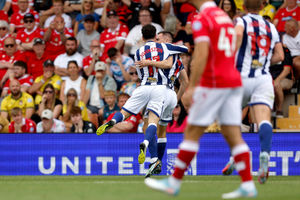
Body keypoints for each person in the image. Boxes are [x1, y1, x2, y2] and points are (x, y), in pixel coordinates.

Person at [144, 0, 257, 198]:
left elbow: (202, 52)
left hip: (215, 82)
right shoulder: (223, 16)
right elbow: (235, 44)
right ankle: (248, 183)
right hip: (232, 79)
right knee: (233, 135)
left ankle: (174, 182)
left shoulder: (201, 17)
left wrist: (194, 85)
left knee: (192, 132)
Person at [96, 24, 188, 176]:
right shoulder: (169, 51)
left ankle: (112, 121)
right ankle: (151, 153)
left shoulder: (138, 52)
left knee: (124, 112)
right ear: (157, 37)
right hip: (165, 89)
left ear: (143, 37)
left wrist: (149, 62)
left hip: (144, 86)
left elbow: (141, 69)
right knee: (156, 126)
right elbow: (181, 57)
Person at [222, 0, 284, 185]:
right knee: (263, 120)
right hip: (263, 78)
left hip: (241, 77)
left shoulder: (241, 21)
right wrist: (263, 63)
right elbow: (280, 56)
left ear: (244, 7)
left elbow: (239, 35)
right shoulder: (271, 27)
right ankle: (264, 154)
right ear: (262, 7)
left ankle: (236, 155)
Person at [136, 30, 189, 177]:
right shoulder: (177, 59)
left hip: (157, 93)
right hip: (170, 95)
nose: (156, 41)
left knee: (148, 125)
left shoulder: (160, 57)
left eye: (159, 38)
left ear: (165, 40)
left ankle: (154, 161)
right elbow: (185, 82)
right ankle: (158, 161)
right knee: (162, 131)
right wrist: (176, 100)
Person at [270, 47, 294, 118]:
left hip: (285, 79)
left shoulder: (285, 51)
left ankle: (279, 110)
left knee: (277, 85)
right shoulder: (267, 51)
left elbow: (287, 70)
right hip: (270, 78)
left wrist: (277, 80)